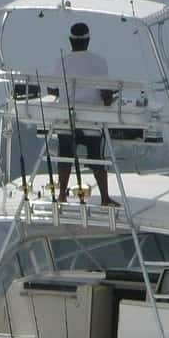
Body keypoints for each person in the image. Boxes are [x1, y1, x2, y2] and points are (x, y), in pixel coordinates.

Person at [55, 22, 118, 206]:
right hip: (91, 123)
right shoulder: (99, 61)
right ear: (88, 40)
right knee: (96, 156)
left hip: (67, 123)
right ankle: (105, 198)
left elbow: (55, 90)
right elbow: (106, 97)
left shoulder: (61, 61)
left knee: (65, 154)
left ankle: (62, 195)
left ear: (70, 41)